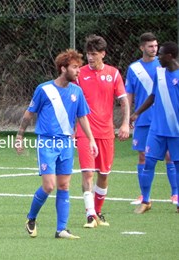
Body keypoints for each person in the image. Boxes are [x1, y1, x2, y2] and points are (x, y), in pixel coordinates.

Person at [16, 49, 98, 239]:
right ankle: (31, 218)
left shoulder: (77, 91)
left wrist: (91, 140)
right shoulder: (44, 89)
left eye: (79, 67)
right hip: (46, 143)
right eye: (75, 67)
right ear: (63, 69)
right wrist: (19, 137)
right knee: (49, 186)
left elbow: (82, 118)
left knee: (64, 186)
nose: (79, 71)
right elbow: (28, 114)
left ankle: (61, 229)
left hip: (67, 144)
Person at [76, 35, 130, 228]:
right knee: (88, 173)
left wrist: (125, 124)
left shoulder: (113, 74)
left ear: (103, 54)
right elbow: (71, 101)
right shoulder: (80, 74)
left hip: (106, 133)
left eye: (94, 54)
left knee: (104, 174)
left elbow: (124, 100)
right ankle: (90, 215)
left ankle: (98, 212)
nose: (90, 58)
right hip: (84, 132)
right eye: (88, 54)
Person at [125, 33, 178, 205]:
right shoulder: (138, 69)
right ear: (142, 48)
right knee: (145, 158)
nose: (155, 51)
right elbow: (139, 95)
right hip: (148, 122)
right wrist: (132, 115)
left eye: (157, 47)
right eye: (151, 46)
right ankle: (144, 197)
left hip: (169, 124)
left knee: (172, 157)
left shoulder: (167, 69)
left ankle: (175, 195)